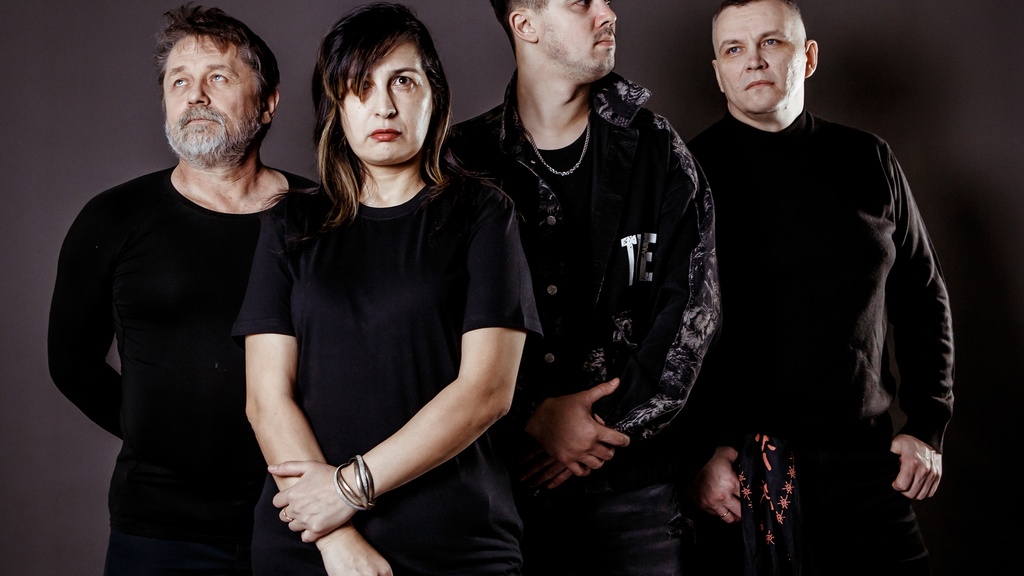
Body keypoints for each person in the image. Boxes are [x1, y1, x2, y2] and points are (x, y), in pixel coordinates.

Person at [231, 3, 541, 575]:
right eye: (360, 86)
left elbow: (487, 391)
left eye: (403, 80)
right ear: (336, 107)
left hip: (454, 543)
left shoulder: (483, 215)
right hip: (310, 542)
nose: (384, 106)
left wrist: (350, 488)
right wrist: (335, 537)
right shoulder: (289, 225)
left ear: (433, 96)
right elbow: (266, 399)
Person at [449, 1, 720, 574]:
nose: (608, 12)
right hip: (500, 489)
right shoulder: (463, 161)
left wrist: (595, 428)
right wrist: (531, 416)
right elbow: (434, 314)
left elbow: (693, 314)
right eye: (581, 2)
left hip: (636, 495)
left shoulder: (658, 150)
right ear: (525, 24)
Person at [686, 1, 955, 574]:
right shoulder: (687, 174)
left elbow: (922, 296)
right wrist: (694, 458)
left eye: (771, 42)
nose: (753, 60)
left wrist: (927, 425)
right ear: (718, 72)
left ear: (807, 57)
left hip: (867, 463)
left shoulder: (868, 158)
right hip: (745, 473)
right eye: (734, 49)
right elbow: (656, 327)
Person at [46, 5, 313, 575]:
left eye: (217, 77)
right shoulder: (114, 217)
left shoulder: (323, 217)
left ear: (268, 103)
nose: (195, 96)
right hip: (159, 526)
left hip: (303, 518)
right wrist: (157, 432)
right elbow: (70, 362)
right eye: (179, 82)